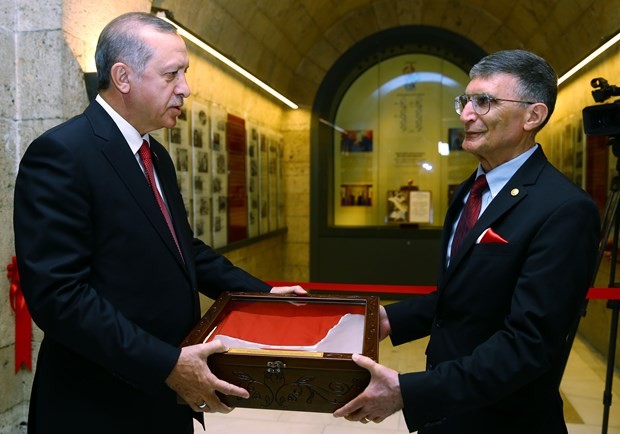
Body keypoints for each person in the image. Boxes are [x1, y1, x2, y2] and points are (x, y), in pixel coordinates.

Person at [13, 12, 305, 434]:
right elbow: (60, 298)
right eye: (172, 75)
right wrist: (167, 364)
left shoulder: (155, 157)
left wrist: (262, 295)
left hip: (163, 396)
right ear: (123, 76)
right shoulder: (62, 155)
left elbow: (183, 249)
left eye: (184, 73)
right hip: (98, 404)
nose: (185, 89)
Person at [333, 49, 601, 433]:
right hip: (449, 409)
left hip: (505, 420)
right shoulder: (469, 191)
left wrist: (407, 392)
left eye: (485, 101)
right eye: (466, 100)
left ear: (533, 116)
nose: (466, 114)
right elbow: (465, 297)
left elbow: (528, 344)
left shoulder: (564, 209)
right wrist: (389, 318)